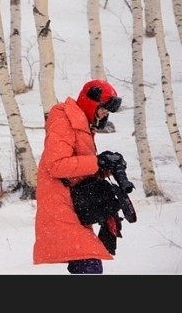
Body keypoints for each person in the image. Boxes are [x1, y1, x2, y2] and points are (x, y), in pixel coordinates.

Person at [33, 79, 125, 274]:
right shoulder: (64, 120)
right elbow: (56, 165)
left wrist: (106, 166)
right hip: (59, 202)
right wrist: (97, 162)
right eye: (103, 108)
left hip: (72, 203)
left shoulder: (82, 125)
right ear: (91, 102)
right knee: (88, 263)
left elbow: (78, 168)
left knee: (85, 262)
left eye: (107, 111)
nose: (104, 114)